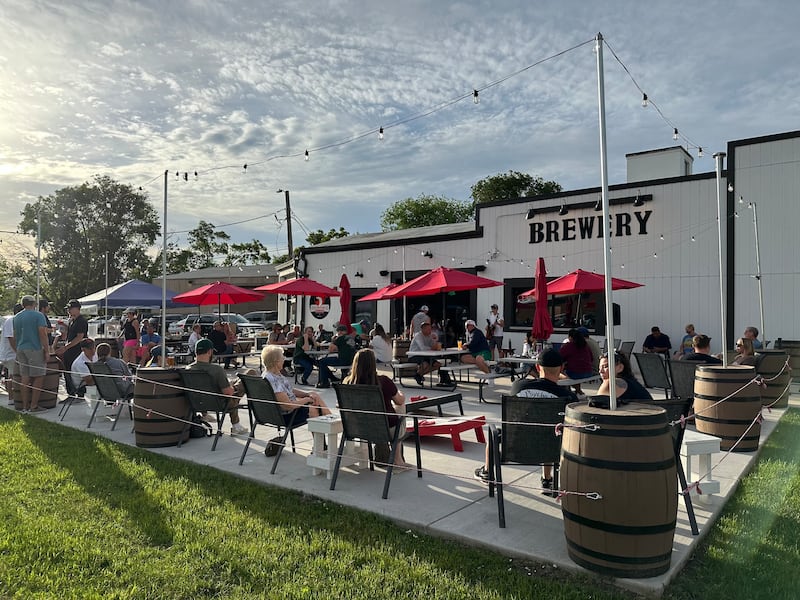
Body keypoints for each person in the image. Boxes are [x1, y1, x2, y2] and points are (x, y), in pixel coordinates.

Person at [475, 348, 577, 493]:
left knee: (494, 434)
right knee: (549, 432)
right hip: (550, 449)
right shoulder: (567, 396)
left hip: (516, 447)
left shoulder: (519, 385)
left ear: (537, 367)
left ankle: (487, 472)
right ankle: (547, 480)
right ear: (561, 368)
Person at [343, 348, 411, 470]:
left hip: (358, 428)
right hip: (385, 428)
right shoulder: (383, 381)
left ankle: (383, 452)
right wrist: (400, 393)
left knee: (379, 417)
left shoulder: (347, 383)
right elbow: (400, 401)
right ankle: (398, 460)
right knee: (400, 408)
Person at [186, 339, 248, 435]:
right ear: (210, 351)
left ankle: (205, 414)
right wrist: (234, 388)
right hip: (220, 403)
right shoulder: (216, 370)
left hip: (198, 403)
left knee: (232, 384)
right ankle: (236, 425)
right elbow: (228, 393)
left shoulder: (188, 369)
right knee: (245, 381)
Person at [260, 345, 329, 426]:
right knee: (313, 409)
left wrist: (307, 394)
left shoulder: (270, 374)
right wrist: (306, 399)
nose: (284, 359)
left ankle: (330, 418)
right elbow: (288, 406)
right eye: (282, 358)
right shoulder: (274, 380)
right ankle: (331, 422)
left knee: (314, 395)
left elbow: (289, 390)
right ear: (276, 361)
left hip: (276, 413)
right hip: (285, 416)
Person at [11, 296, 50, 412]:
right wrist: (47, 351)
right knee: (39, 376)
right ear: (34, 304)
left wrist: (17, 348)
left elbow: (14, 335)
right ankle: (34, 406)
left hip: (21, 348)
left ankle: (24, 406)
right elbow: (42, 333)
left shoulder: (16, 317)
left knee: (25, 377)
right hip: (34, 348)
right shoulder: (38, 315)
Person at [408, 321, 452, 387]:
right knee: (425, 364)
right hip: (414, 355)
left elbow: (433, 345)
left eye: (430, 329)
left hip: (426, 356)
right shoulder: (418, 336)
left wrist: (435, 340)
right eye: (428, 329)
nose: (430, 331)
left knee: (438, 364)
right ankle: (418, 375)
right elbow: (422, 348)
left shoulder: (430, 335)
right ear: (423, 329)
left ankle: (418, 375)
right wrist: (432, 348)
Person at [56, 300, 88, 386]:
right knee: (67, 372)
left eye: (71, 308)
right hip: (69, 350)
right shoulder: (71, 320)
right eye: (68, 309)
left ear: (77, 309)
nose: (68, 310)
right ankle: (70, 392)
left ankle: (77, 392)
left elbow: (79, 337)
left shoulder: (81, 321)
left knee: (75, 373)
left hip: (77, 351)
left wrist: (65, 347)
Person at [316, 324, 357, 389]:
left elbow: (330, 350)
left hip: (342, 361)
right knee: (326, 361)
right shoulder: (350, 338)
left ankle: (324, 382)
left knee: (322, 361)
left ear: (339, 332)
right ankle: (333, 378)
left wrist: (333, 340)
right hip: (351, 361)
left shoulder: (340, 338)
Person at [559, 328, 595, 396]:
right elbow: (591, 358)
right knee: (575, 370)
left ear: (570, 337)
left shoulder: (568, 346)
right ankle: (578, 391)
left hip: (575, 373)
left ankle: (567, 391)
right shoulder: (585, 346)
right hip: (589, 372)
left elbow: (558, 357)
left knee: (560, 373)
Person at [1, 303, 23, 406]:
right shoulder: (12, 321)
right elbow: (11, 338)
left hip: (8, 353)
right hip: (10, 353)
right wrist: (17, 352)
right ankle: (12, 398)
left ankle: (12, 398)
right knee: (13, 376)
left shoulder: (12, 320)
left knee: (11, 375)